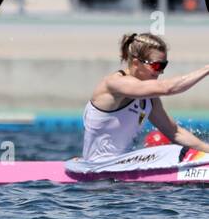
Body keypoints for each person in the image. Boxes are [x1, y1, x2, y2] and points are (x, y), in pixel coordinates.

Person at [72, 33, 209, 171]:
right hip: (97, 169)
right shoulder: (115, 84)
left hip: (120, 168)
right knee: (171, 152)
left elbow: (175, 133)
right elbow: (167, 88)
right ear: (137, 63)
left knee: (173, 149)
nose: (160, 72)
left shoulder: (149, 97)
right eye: (156, 66)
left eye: (164, 65)